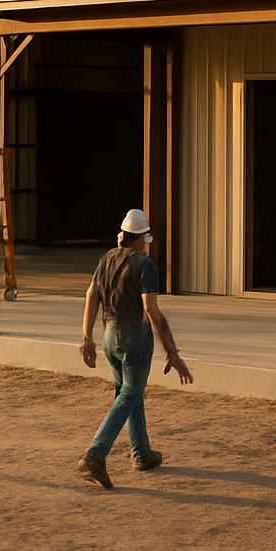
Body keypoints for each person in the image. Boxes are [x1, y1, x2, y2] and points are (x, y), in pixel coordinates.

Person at [76, 208, 193, 489]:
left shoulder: (107, 258)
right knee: (130, 393)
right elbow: (151, 310)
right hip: (134, 338)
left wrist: (87, 337)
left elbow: (91, 296)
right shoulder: (145, 265)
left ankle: (141, 452)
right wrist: (172, 352)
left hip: (109, 335)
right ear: (141, 239)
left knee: (129, 392)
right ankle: (95, 453)